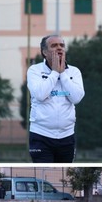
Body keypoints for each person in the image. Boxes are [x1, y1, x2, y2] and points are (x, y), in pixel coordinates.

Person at [27, 35, 85, 163]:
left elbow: (76, 98)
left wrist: (62, 73)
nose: (59, 48)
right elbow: (40, 95)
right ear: (44, 52)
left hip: (67, 136)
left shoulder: (74, 72)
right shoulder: (34, 70)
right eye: (54, 46)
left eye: (62, 45)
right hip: (41, 135)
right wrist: (54, 73)